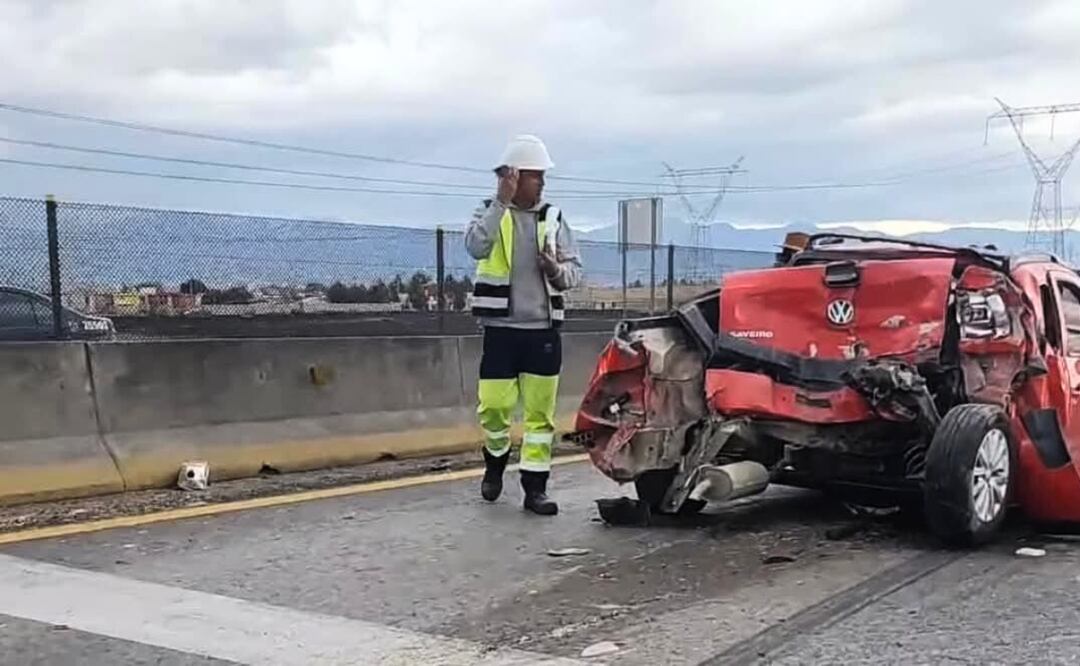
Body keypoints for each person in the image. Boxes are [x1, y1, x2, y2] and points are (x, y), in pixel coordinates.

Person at [464, 134, 583, 515]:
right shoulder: (489, 212)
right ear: (513, 177)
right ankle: (495, 460)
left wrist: (555, 269)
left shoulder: (553, 219)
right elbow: (476, 247)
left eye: (543, 176)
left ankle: (535, 489)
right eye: (535, 176)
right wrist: (501, 201)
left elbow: (574, 272)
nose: (542, 183)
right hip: (500, 331)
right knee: (493, 408)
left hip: (542, 332)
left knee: (539, 417)